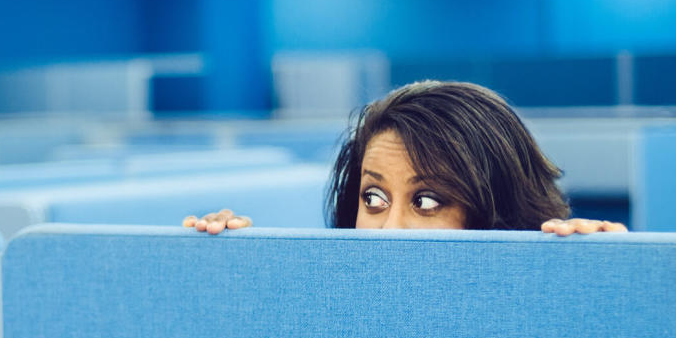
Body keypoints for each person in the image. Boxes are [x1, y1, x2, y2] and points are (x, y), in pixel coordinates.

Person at [183, 80, 627, 236]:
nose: (387, 228)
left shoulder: (534, 314)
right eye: (373, 198)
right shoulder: (339, 308)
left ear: (498, 210)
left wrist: (589, 277)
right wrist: (232, 267)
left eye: (427, 202)